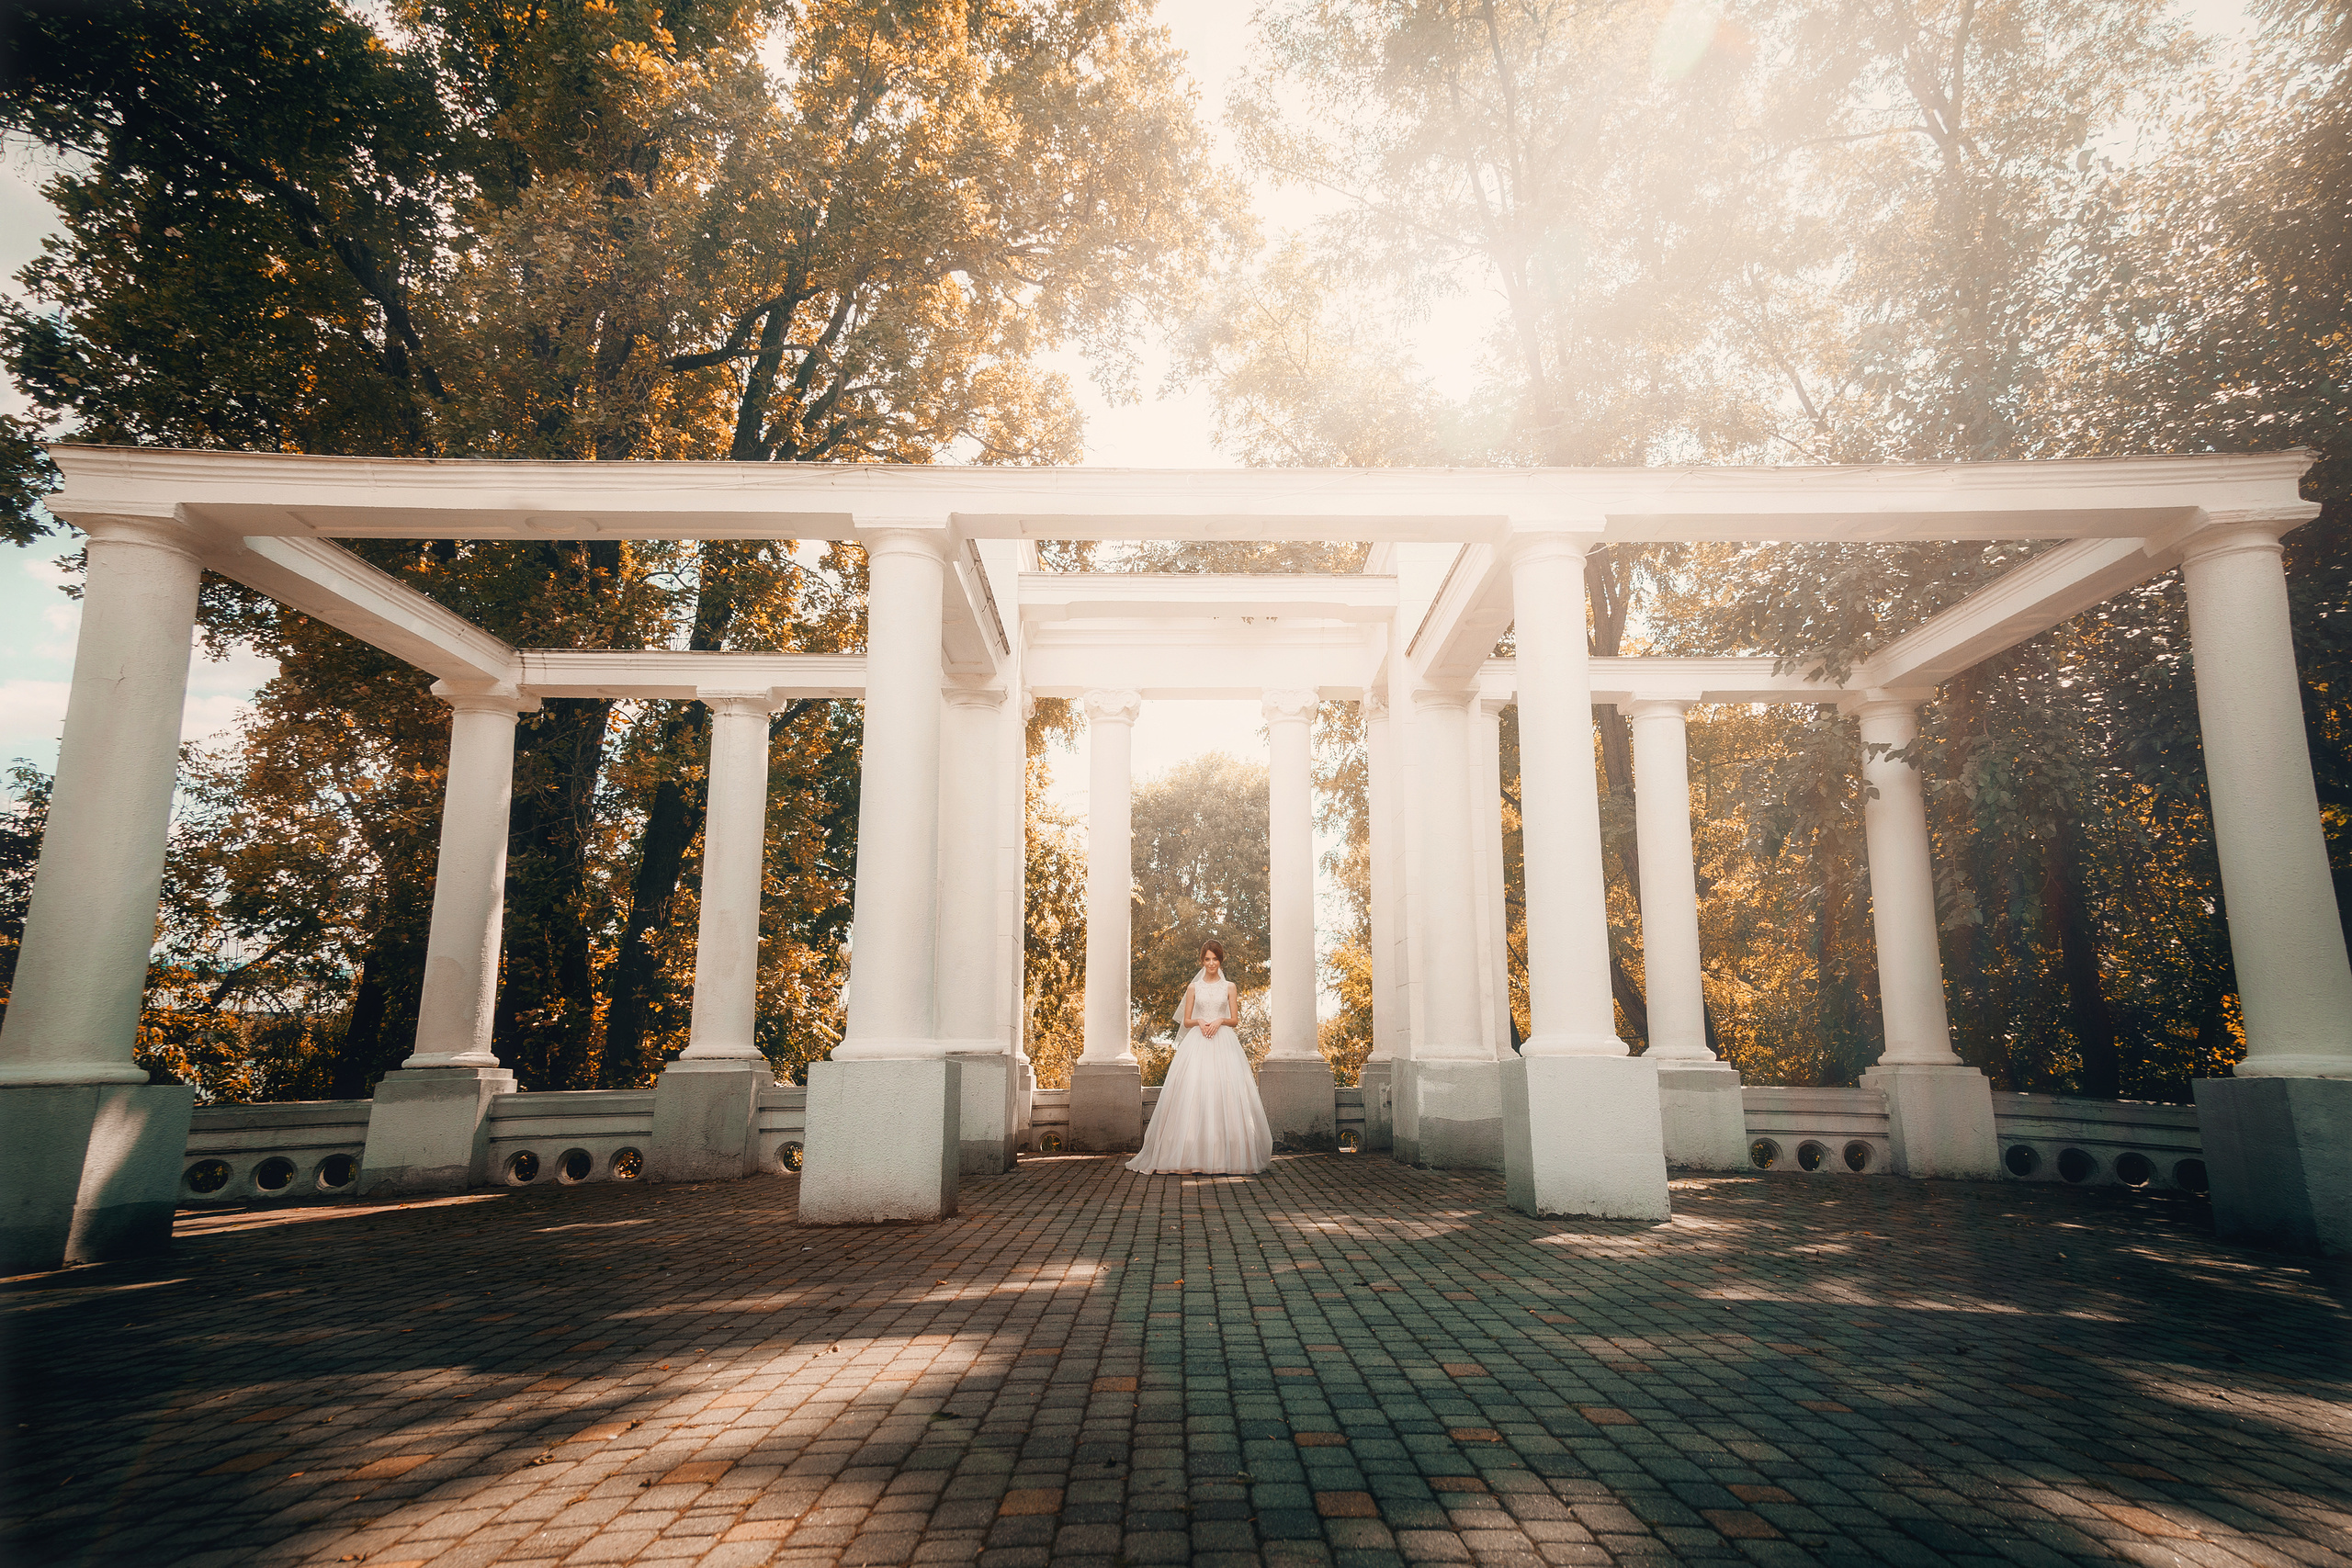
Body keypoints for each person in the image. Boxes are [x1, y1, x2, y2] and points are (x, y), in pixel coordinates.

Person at [1126, 941, 1272, 1176]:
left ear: (1220, 960)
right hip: (1198, 1040)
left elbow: (1234, 1019)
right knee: (1194, 1092)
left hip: (1223, 1041)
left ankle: (1225, 1156)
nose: (1211, 963)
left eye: (1215, 959)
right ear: (1202, 961)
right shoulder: (1194, 987)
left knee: (1222, 1092)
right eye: (1207, 959)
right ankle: (1191, 1155)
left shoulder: (1230, 987)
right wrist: (1201, 1022)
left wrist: (1219, 1020)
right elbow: (1186, 1021)